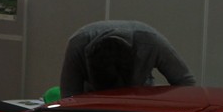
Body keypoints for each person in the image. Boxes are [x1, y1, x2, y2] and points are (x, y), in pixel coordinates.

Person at [58, 20, 195, 97]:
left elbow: (185, 83)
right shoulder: (78, 45)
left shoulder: (151, 42)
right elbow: (69, 96)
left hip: (137, 101)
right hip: (94, 101)